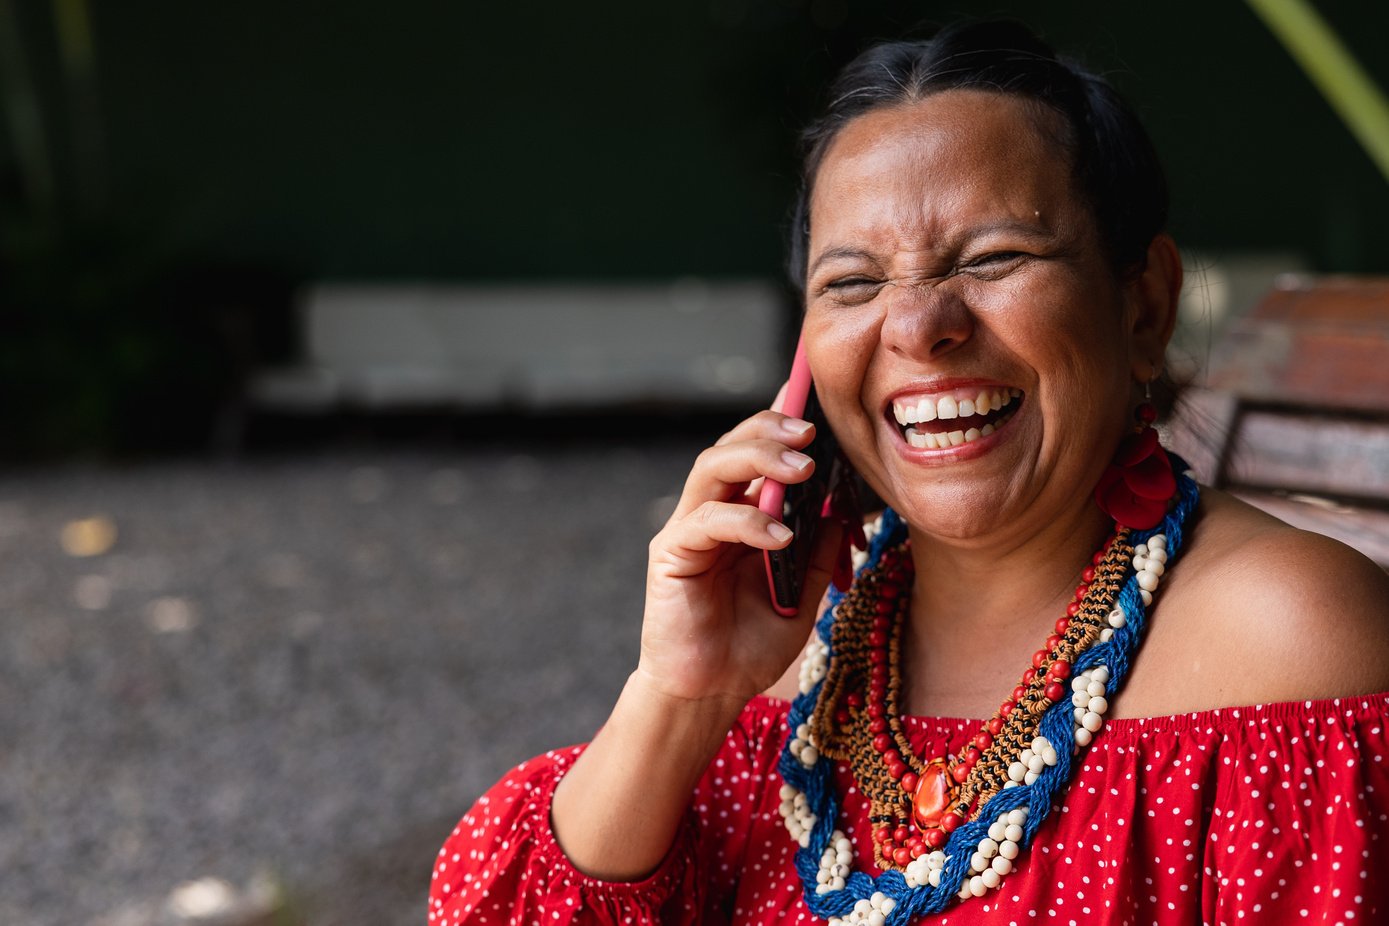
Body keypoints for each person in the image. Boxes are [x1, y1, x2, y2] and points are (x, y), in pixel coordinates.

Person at [429, 21, 1389, 925]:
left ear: (1142, 308)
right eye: (851, 283)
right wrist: (681, 697)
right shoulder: (790, 641)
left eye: (995, 256)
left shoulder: (1286, 643)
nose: (919, 326)